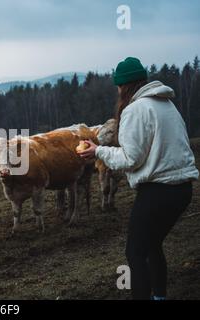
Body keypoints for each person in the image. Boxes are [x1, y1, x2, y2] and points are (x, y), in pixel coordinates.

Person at [79, 57, 199, 300]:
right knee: (152, 245)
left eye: (118, 86)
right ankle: (159, 297)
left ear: (123, 86)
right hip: (182, 189)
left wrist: (97, 151)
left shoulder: (136, 109)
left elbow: (130, 158)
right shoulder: (166, 105)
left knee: (135, 252)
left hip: (158, 190)